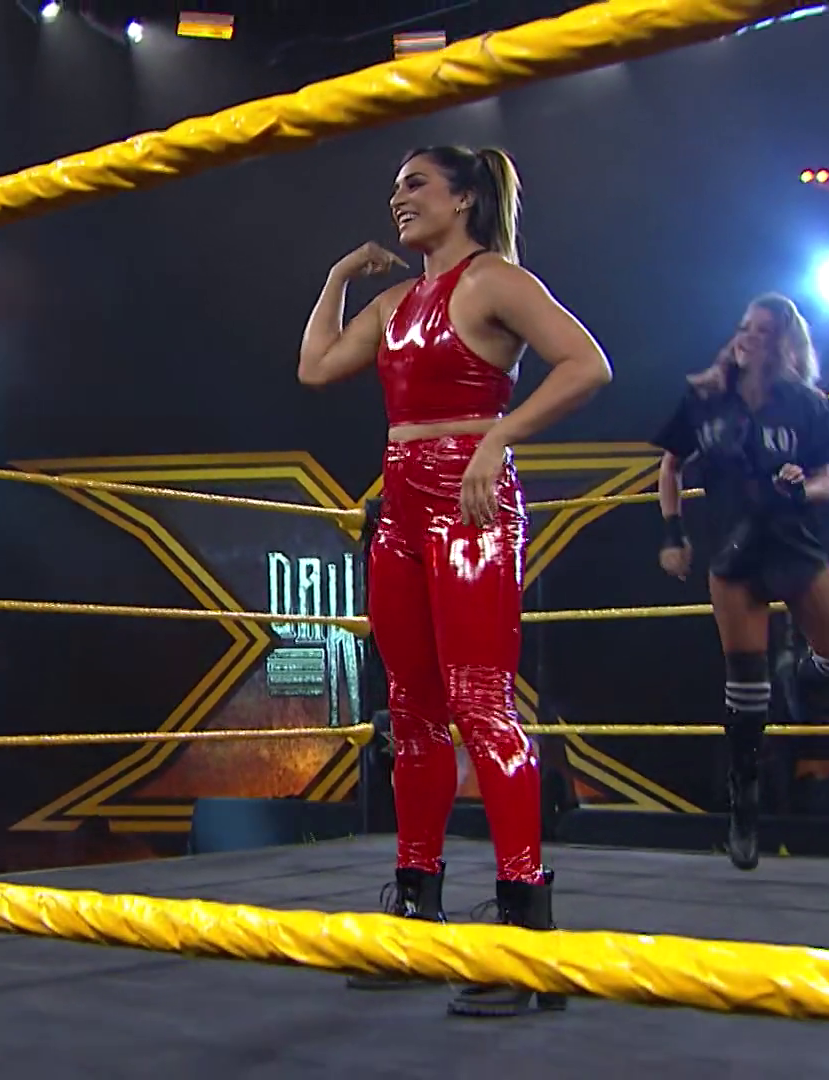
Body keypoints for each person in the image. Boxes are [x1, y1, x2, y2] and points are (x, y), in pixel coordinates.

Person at [298, 145, 613, 1016]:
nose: (398, 198)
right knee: (411, 711)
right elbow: (316, 367)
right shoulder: (396, 303)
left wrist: (497, 437)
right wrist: (337, 278)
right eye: (395, 186)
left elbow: (587, 364)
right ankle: (416, 908)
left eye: (416, 184)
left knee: (481, 704)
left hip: (468, 502)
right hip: (400, 506)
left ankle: (523, 927)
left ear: (465, 197)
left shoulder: (495, 282)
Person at [651, 293, 829, 872]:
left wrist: (797, 487)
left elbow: (824, 482)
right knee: (746, 688)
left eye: (762, 331)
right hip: (732, 548)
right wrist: (673, 534)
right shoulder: (705, 399)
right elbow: (670, 465)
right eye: (744, 326)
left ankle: (800, 675)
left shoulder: (806, 405)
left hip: (792, 542)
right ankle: (743, 805)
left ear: (784, 343)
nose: (747, 337)